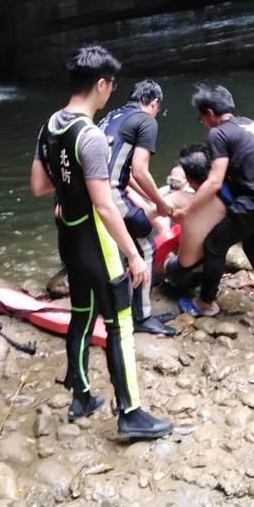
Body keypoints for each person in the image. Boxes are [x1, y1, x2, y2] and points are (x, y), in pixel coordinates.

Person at [30, 45, 173, 440]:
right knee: (119, 325)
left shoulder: (50, 126)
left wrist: (68, 195)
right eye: (111, 85)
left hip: (69, 239)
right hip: (99, 244)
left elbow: (40, 186)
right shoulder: (89, 136)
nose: (111, 91)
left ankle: (81, 395)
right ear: (101, 84)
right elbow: (106, 206)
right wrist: (134, 255)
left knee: (80, 314)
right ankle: (131, 412)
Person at [176, 85, 254, 326]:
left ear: (209, 113)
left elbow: (215, 180)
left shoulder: (218, 133)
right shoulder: (249, 124)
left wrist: (188, 210)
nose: (204, 124)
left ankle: (205, 303)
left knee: (215, 245)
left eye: (201, 119)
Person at [98, 79, 176, 336]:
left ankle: (125, 304)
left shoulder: (112, 116)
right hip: (109, 192)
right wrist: (163, 203)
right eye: (158, 108)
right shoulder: (146, 121)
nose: (157, 114)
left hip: (94, 189)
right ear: (154, 103)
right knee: (146, 246)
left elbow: (126, 171)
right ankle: (141, 316)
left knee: (129, 243)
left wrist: (153, 200)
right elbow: (141, 170)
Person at [162, 144, 227, 292]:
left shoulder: (177, 198)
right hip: (212, 270)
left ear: (189, 181)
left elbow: (148, 214)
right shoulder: (225, 197)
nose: (173, 185)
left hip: (184, 274)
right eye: (170, 180)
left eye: (177, 181)